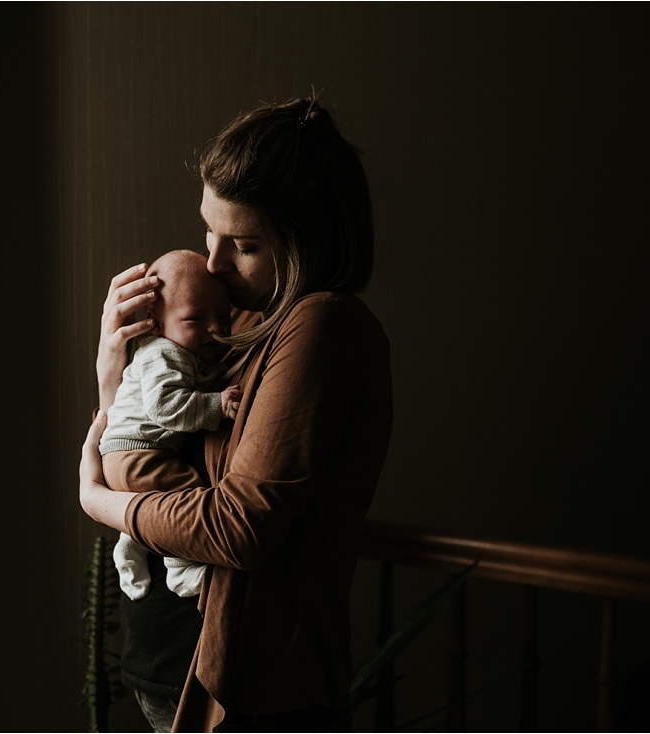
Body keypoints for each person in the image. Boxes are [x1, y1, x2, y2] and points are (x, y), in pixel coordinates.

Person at [79, 96, 393, 733]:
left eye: (244, 244)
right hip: (165, 673)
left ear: (307, 243)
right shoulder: (236, 321)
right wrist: (113, 376)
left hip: (249, 697)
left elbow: (237, 529)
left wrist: (97, 501)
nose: (214, 264)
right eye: (208, 232)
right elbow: (147, 443)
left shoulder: (320, 326)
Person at [100, 249, 242, 602]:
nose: (215, 329)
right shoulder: (164, 353)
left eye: (223, 316)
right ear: (156, 319)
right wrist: (218, 403)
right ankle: (180, 569)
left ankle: (131, 545)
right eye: (195, 319)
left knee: (156, 500)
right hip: (140, 454)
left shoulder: (184, 352)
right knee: (186, 497)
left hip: (126, 457)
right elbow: (166, 408)